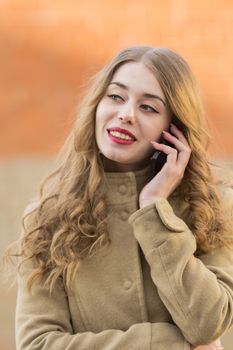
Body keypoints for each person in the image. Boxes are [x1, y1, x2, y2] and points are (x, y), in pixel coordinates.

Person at [11, 46, 233, 349]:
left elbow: (208, 324)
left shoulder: (213, 207)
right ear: (97, 105)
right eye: (115, 96)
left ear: (174, 129)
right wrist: (163, 343)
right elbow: (36, 343)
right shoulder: (48, 216)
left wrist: (155, 209)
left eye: (149, 108)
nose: (126, 114)